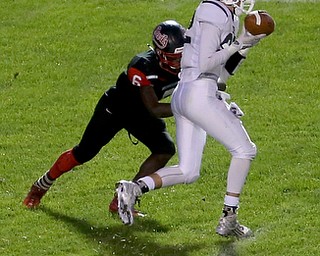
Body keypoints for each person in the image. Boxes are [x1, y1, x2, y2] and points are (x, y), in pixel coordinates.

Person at [116, 0, 267, 238]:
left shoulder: (225, 15)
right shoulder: (213, 11)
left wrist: (247, 44)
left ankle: (133, 188)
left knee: (188, 171)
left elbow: (222, 72)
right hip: (198, 93)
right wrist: (238, 42)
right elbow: (206, 63)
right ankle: (229, 217)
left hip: (187, 93)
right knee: (244, 150)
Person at [23, 20, 186, 215]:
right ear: (160, 53)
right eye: (175, 57)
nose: (181, 61)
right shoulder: (142, 66)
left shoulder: (188, 63)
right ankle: (41, 186)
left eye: (183, 55)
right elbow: (155, 108)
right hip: (116, 109)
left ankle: (123, 199)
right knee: (83, 153)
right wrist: (190, 107)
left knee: (164, 150)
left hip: (141, 114)